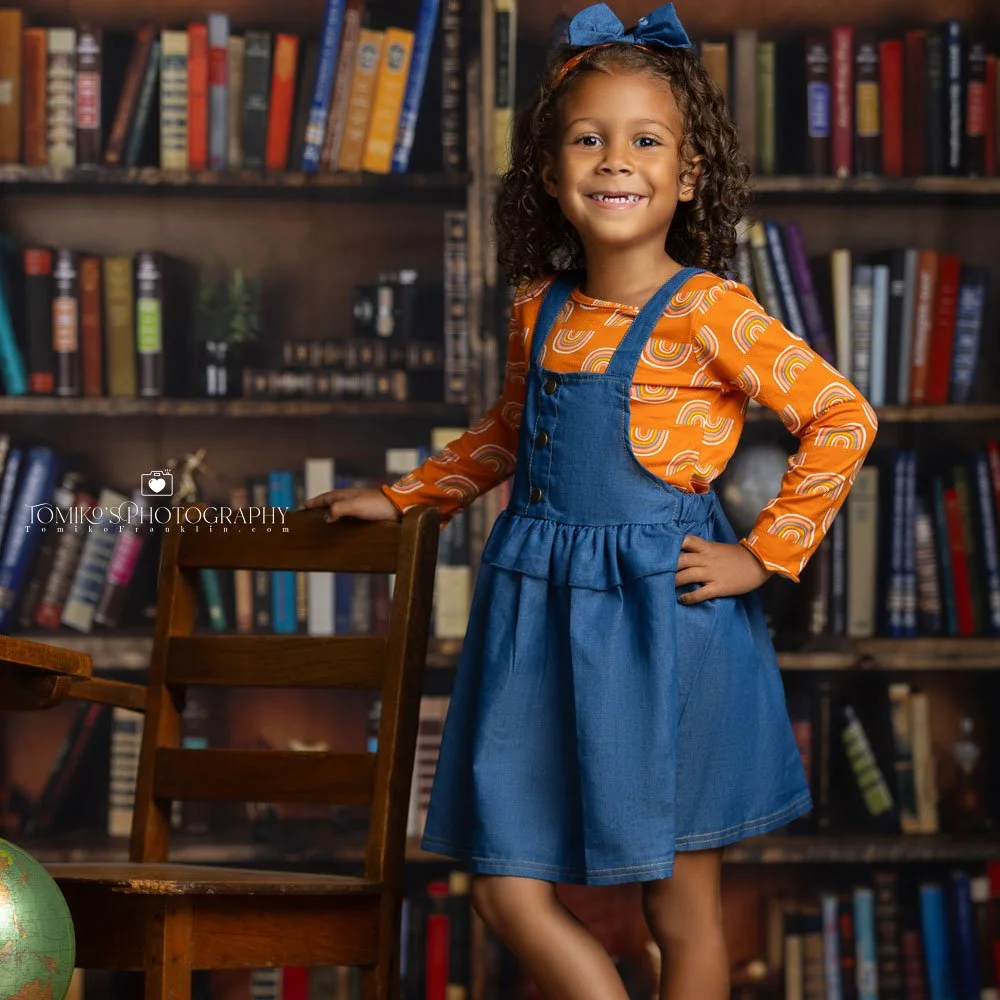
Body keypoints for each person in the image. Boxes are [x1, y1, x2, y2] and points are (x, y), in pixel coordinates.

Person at [306, 4, 877, 997]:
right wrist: (404, 499)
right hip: (534, 617)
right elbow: (504, 433)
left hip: (668, 622)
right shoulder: (541, 305)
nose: (615, 160)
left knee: (679, 904)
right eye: (588, 137)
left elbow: (840, 414)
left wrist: (764, 553)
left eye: (645, 140)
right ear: (551, 170)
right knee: (504, 891)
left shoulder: (709, 309)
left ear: (688, 174)